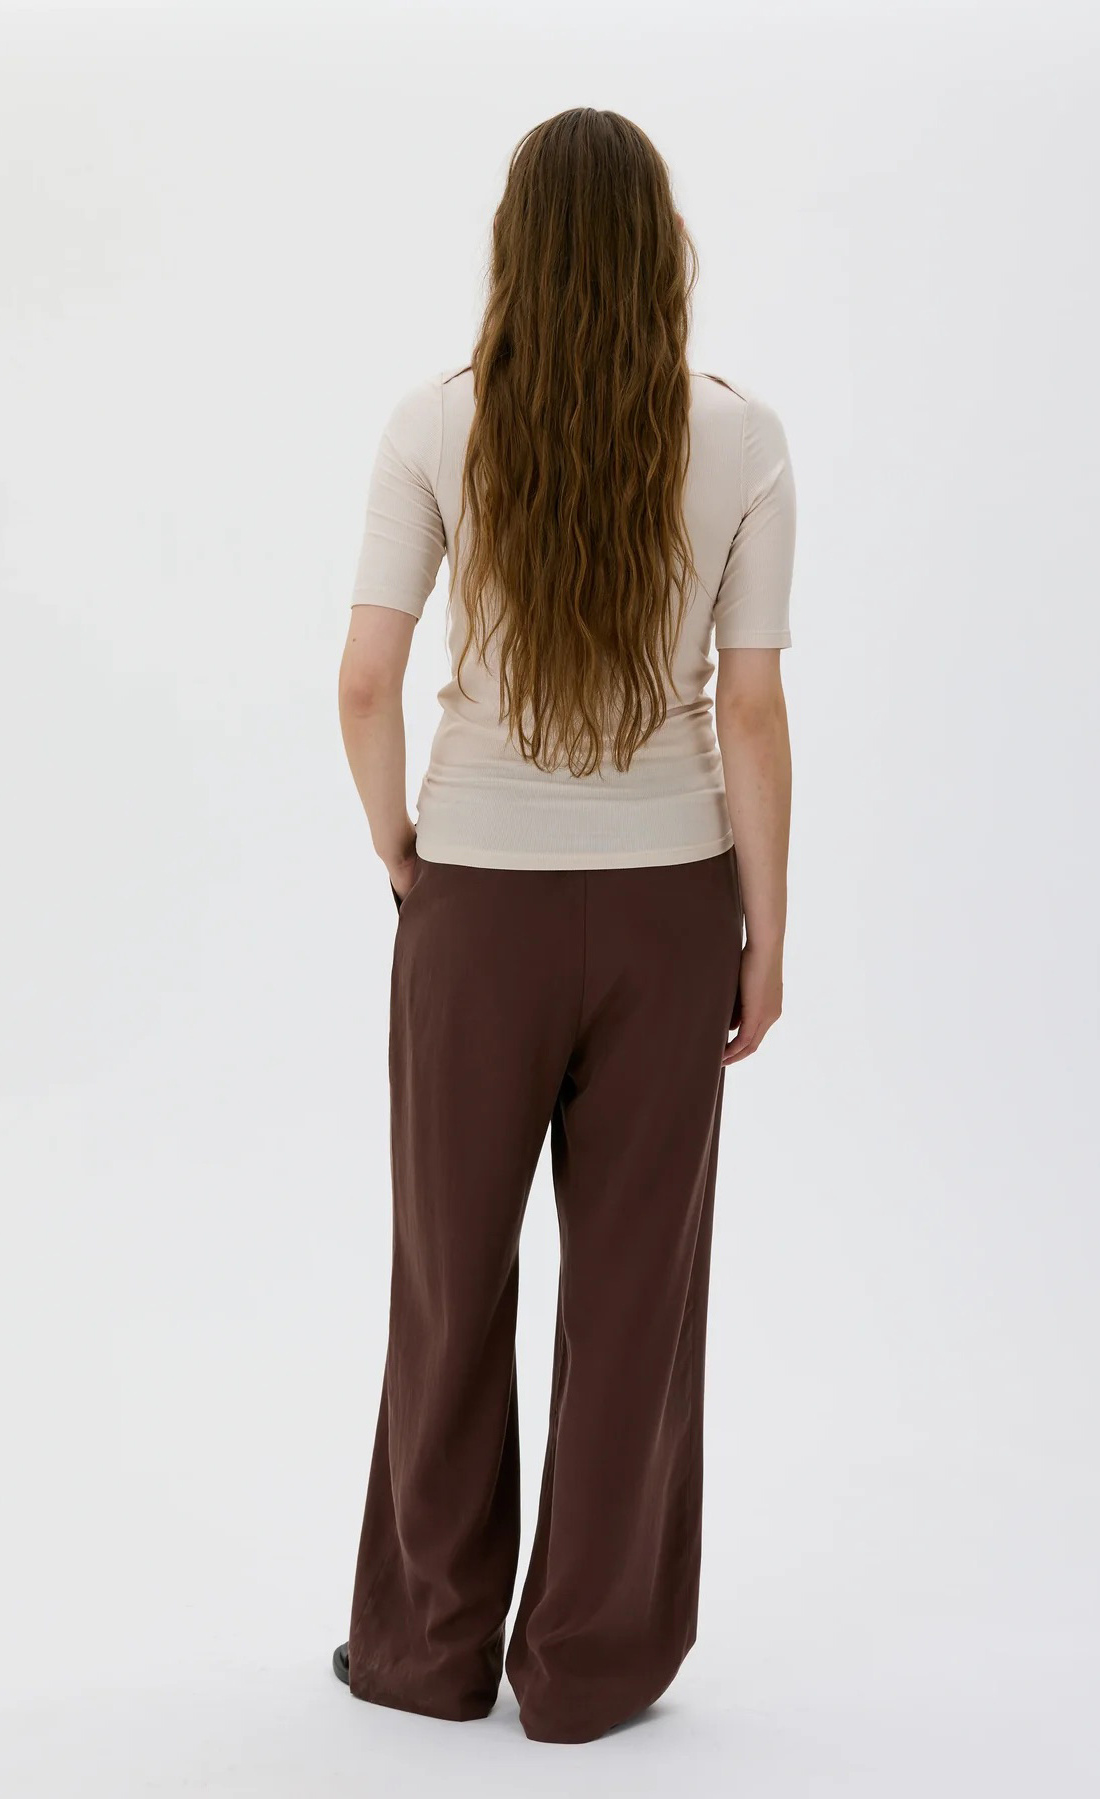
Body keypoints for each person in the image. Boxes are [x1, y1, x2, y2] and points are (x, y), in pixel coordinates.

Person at [332, 106, 795, 1745]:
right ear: (662, 249)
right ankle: (589, 1672)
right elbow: (749, 710)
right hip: (668, 911)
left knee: (447, 1280)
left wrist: (401, 847)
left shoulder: (433, 424)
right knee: (634, 1298)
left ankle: (427, 1650)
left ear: (512, 246)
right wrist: (765, 933)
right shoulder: (740, 437)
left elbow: (367, 681)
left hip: (474, 910)